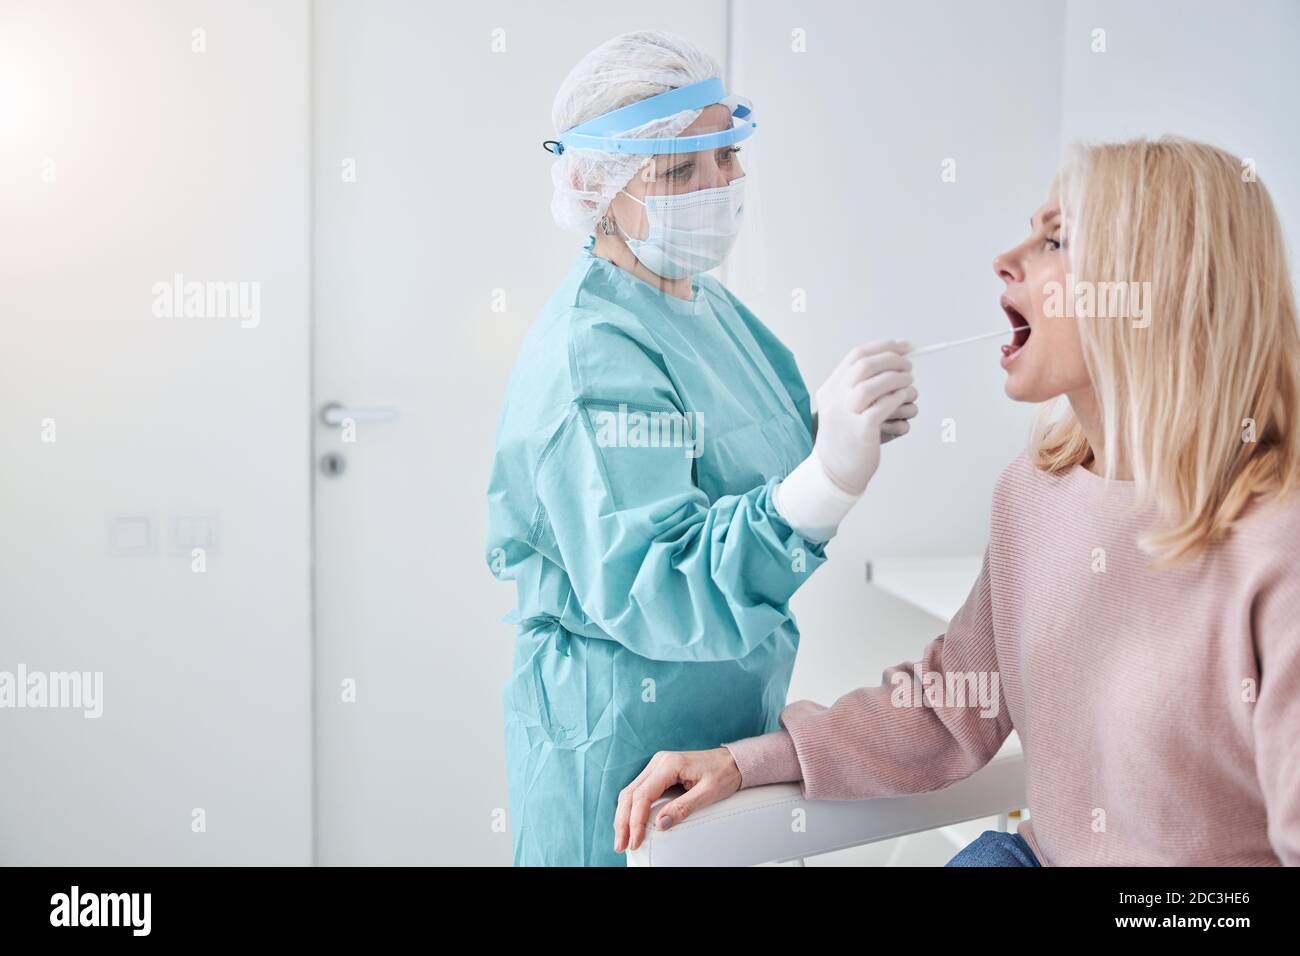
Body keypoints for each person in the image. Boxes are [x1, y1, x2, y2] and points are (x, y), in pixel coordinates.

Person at [613, 137, 1300, 866]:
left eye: (1056, 240)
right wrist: (746, 760)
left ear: (1155, 289)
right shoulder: (1034, 493)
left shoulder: (1274, 544)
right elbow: (949, 707)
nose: (1007, 259)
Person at [485, 31, 918, 866]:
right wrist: (827, 478)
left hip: (729, 729)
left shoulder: (702, 307)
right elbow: (660, 584)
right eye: (682, 171)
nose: (722, 185)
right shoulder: (592, 355)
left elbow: (758, 465)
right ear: (601, 192)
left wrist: (836, 430)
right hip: (619, 740)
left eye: (725, 152)